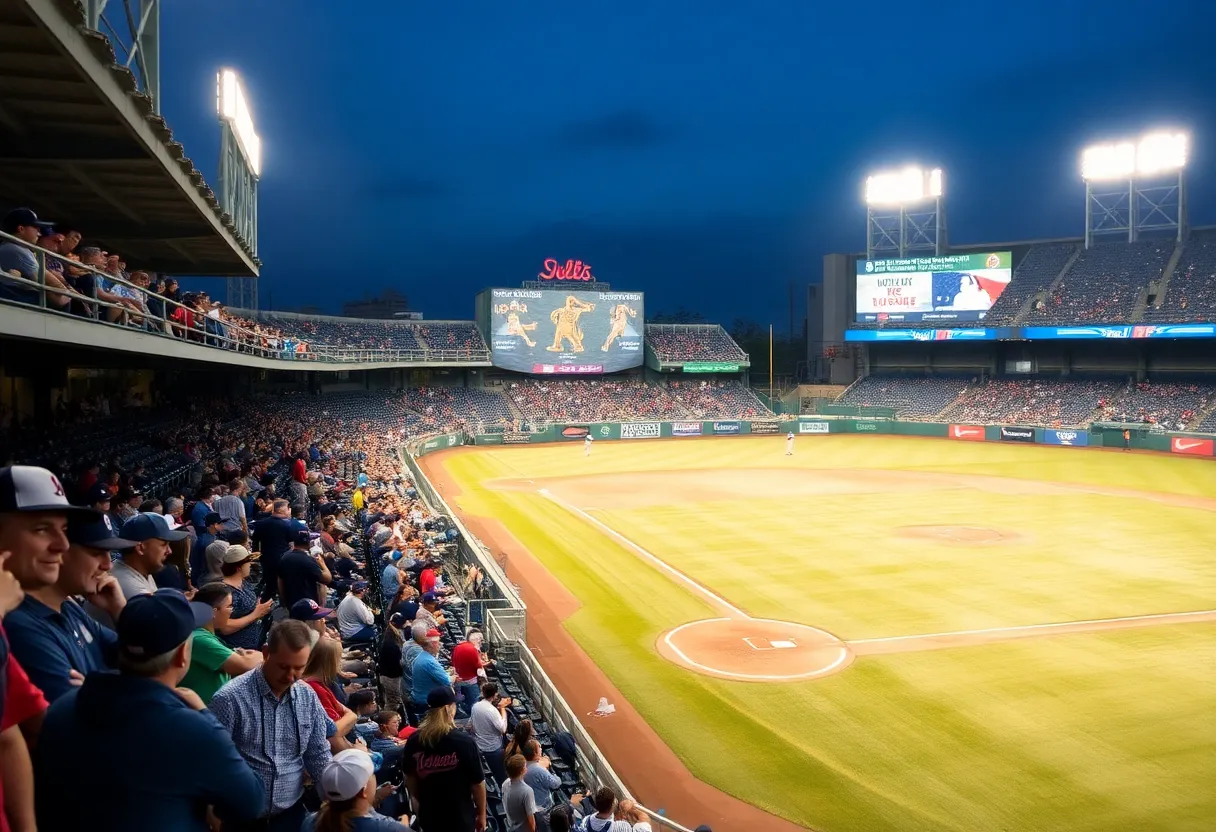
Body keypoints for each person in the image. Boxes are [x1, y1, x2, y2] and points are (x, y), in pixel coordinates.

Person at [33, 589, 265, 830]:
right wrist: (206, 717)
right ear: (181, 657)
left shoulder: (63, 710)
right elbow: (250, 802)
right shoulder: (194, 730)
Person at [209, 620, 335, 832]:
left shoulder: (307, 696)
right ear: (266, 653)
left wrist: (334, 801)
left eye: (299, 668)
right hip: (240, 819)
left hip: (290, 815)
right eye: (283, 666)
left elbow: (318, 755)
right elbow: (212, 763)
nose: (290, 676)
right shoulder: (229, 699)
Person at [4, 513, 133, 702]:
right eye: (97, 553)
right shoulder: (20, 623)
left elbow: (143, 660)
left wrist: (119, 610)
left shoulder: (67, 606)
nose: (107, 565)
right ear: (62, 554)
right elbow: (75, 721)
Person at [402, 686, 487, 832]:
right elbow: (477, 784)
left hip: (430, 816)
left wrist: (421, 801)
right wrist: (482, 814)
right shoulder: (464, 742)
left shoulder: (414, 740)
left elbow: (410, 780)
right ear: (450, 708)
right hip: (460, 817)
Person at [89, 511, 190, 627]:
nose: (169, 551)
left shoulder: (140, 570)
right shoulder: (128, 585)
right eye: (164, 544)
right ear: (140, 548)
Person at [180, 583, 264, 704]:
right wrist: (259, 655)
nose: (231, 611)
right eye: (229, 606)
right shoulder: (199, 639)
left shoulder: (205, 636)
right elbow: (246, 665)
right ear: (213, 611)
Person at [304, 748, 412, 832]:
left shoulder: (310, 822)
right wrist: (403, 825)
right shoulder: (389, 828)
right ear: (363, 791)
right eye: (372, 774)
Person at [217, 545, 275, 651]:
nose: (250, 565)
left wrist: (257, 606)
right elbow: (224, 627)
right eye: (248, 562)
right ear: (239, 567)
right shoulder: (226, 592)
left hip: (255, 642)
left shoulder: (243, 582)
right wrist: (256, 614)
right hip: (239, 650)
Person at [469, 682, 510, 791]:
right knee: (500, 775)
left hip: (479, 746)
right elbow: (503, 729)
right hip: (493, 748)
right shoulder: (492, 711)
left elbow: (470, 725)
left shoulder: (475, 706)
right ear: (495, 695)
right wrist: (502, 708)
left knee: (485, 774)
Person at [251, 499, 294, 601]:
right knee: (282, 585)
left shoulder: (261, 524)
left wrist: (256, 556)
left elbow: (255, 542)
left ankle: (265, 603)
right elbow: (292, 544)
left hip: (266, 558)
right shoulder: (288, 525)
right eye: (289, 509)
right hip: (283, 559)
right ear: (284, 511)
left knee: (270, 584)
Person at [279, 529, 333, 609]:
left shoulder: (284, 557)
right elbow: (327, 579)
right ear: (309, 543)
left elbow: (280, 581)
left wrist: (282, 599)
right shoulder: (308, 559)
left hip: (291, 601)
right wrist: (322, 563)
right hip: (308, 603)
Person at [408, 628, 452, 720]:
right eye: (439, 642)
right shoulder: (429, 662)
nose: (440, 645)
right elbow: (447, 681)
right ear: (433, 644)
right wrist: (454, 676)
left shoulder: (420, 657)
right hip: (427, 702)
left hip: (420, 699)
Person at [522, 739, 562, 819]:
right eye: (539, 747)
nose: (541, 749)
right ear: (534, 753)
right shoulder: (539, 770)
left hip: (530, 804)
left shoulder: (522, 764)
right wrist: (551, 771)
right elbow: (556, 784)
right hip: (542, 807)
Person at [451, 631, 486, 717]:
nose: (481, 643)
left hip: (458, 680)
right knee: (475, 702)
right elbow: (478, 666)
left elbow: (453, 661)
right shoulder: (473, 649)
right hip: (470, 681)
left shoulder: (457, 647)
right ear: (477, 640)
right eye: (480, 641)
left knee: (465, 700)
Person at [378, 612, 406, 711]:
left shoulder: (389, 633)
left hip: (390, 674)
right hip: (390, 677)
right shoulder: (391, 644)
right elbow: (398, 663)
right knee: (392, 703)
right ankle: (388, 722)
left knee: (393, 701)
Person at [503, 754, 539, 832]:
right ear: (522, 770)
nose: (526, 768)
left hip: (511, 825)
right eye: (525, 766)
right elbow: (531, 819)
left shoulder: (505, 783)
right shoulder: (527, 791)